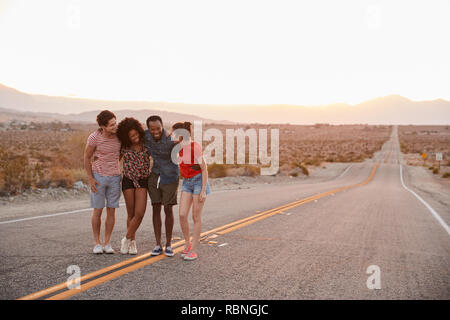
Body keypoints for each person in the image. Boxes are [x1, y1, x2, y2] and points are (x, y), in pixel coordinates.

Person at [84, 110, 121, 254]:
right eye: (111, 125)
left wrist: (114, 164)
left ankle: (107, 243)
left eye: (115, 123)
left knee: (111, 210)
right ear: (103, 126)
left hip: (115, 178)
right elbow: (86, 157)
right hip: (98, 177)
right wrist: (91, 179)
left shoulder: (119, 136)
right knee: (98, 210)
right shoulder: (94, 138)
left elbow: (121, 152)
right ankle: (97, 243)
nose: (115, 127)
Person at [171, 121, 210, 261]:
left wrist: (204, 190)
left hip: (199, 181)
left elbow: (204, 168)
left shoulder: (195, 147)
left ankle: (193, 250)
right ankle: (187, 243)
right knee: (182, 214)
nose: (172, 135)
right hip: (187, 182)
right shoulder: (178, 147)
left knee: (195, 216)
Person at [144, 115, 180, 257]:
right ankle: (158, 244)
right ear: (148, 128)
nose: (155, 131)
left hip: (170, 176)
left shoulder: (172, 138)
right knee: (155, 208)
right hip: (155, 175)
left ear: (162, 126)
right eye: (152, 129)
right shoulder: (145, 136)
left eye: (158, 128)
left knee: (168, 209)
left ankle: (169, 245)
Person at [116, 117, 151, 255]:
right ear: (126, 137)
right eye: (131, 136)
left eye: (136, 134)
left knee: (140, 213)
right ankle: (132, 243)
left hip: (142, 180)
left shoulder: (146, 143)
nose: (135, 137)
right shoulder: (124, 146)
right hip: (128, 180)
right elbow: (114, 159)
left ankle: (126, 238)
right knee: (130, 213)